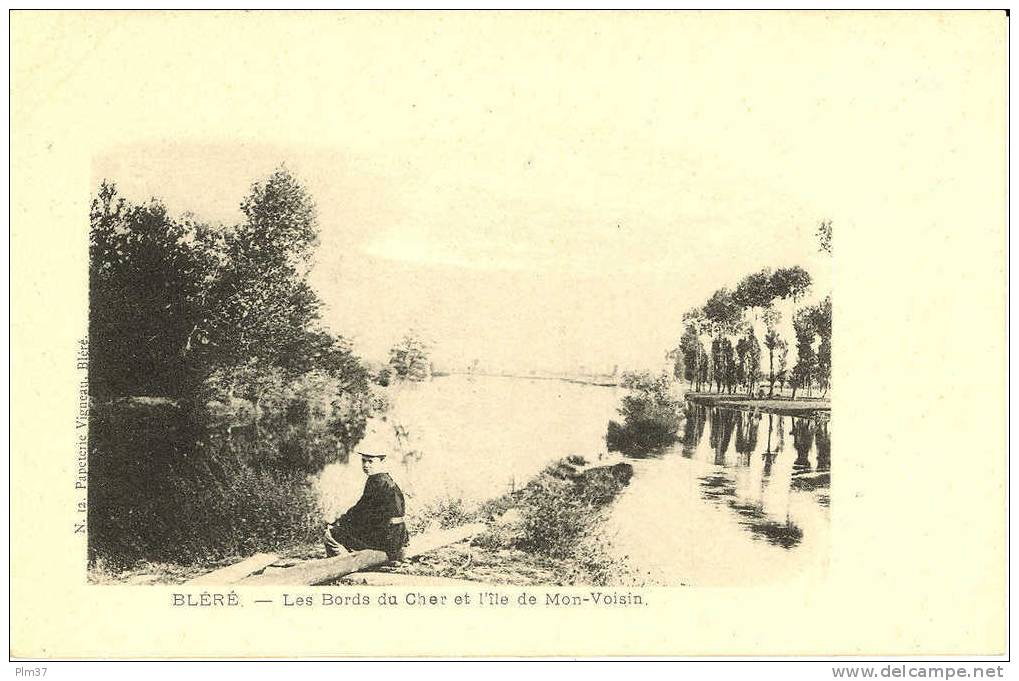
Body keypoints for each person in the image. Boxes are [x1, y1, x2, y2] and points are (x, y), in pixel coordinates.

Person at [324, 424, 410, 561]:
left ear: (381, 461)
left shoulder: (377, 481)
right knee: (350, 528)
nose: (366, 465)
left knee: (331, 533)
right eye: (363, 461)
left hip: (388, 539)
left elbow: (362, 510)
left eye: (370, 461)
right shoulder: (387, 480)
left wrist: (340, 521)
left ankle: (340, 564)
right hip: (399, 537)